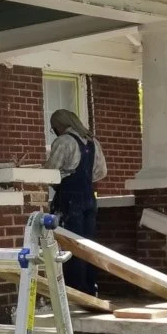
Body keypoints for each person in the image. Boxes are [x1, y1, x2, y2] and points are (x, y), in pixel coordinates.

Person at [45, 108, 106, 295]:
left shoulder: (63, 142)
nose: (54, 131)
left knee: (71, 244)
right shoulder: (93, 142)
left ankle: (75, 289)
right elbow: (101, 172)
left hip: (70, 198)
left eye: (53, 128)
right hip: (89, 197)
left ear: (60, 125)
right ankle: (90, 287)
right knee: (88, 243)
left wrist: (65, 176)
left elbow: (50, 173)